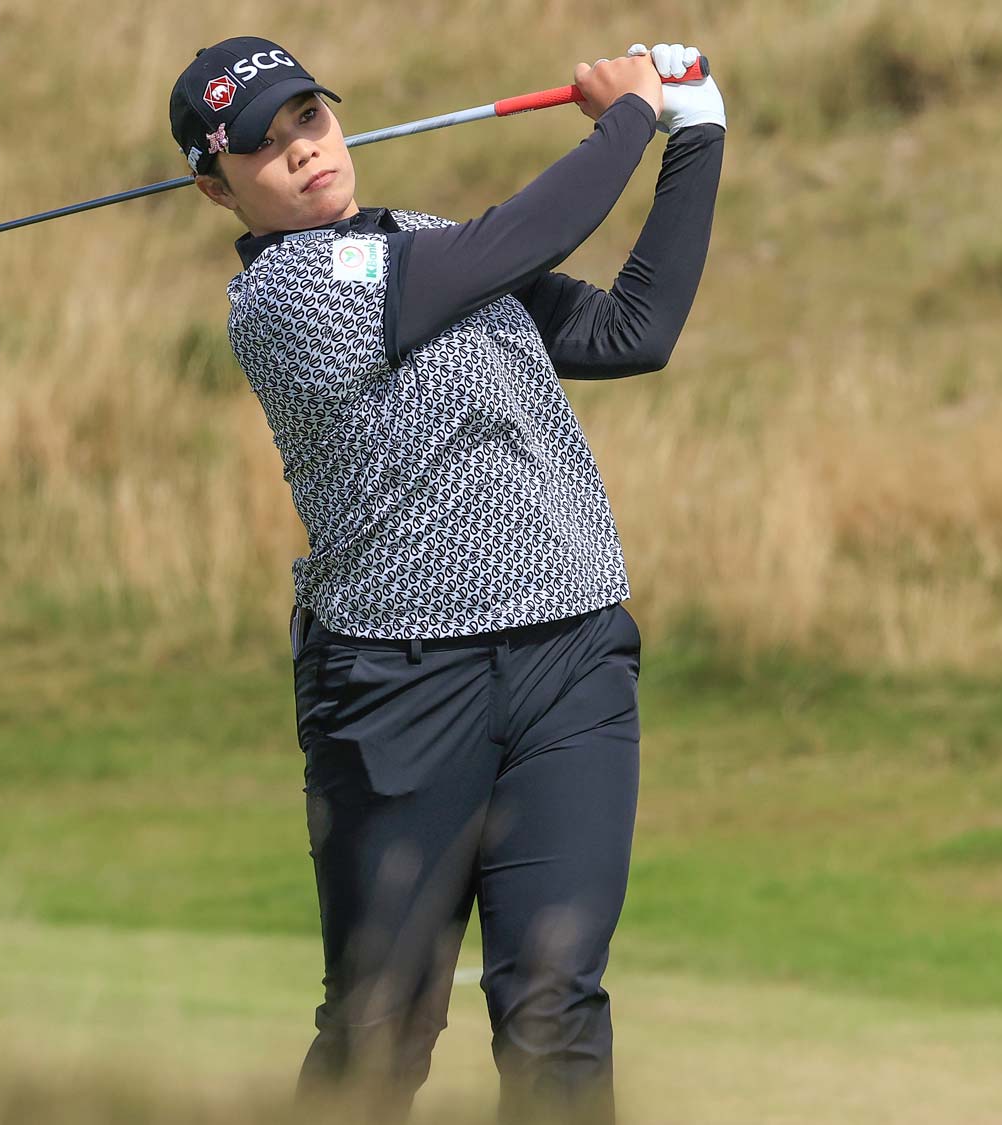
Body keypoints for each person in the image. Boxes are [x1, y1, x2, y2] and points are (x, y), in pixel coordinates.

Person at [167, 35, 725, 1125]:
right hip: (398, 685)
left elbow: (630, 331)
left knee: (554, 1004)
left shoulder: (426, 242)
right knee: (383, 1023)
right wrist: (626, 116)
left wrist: (692, 137)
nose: (301, 155)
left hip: (570, 660)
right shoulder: (284, 299)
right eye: (261, 148)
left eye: (308, 122)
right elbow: (519, 239)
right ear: (211, 183)